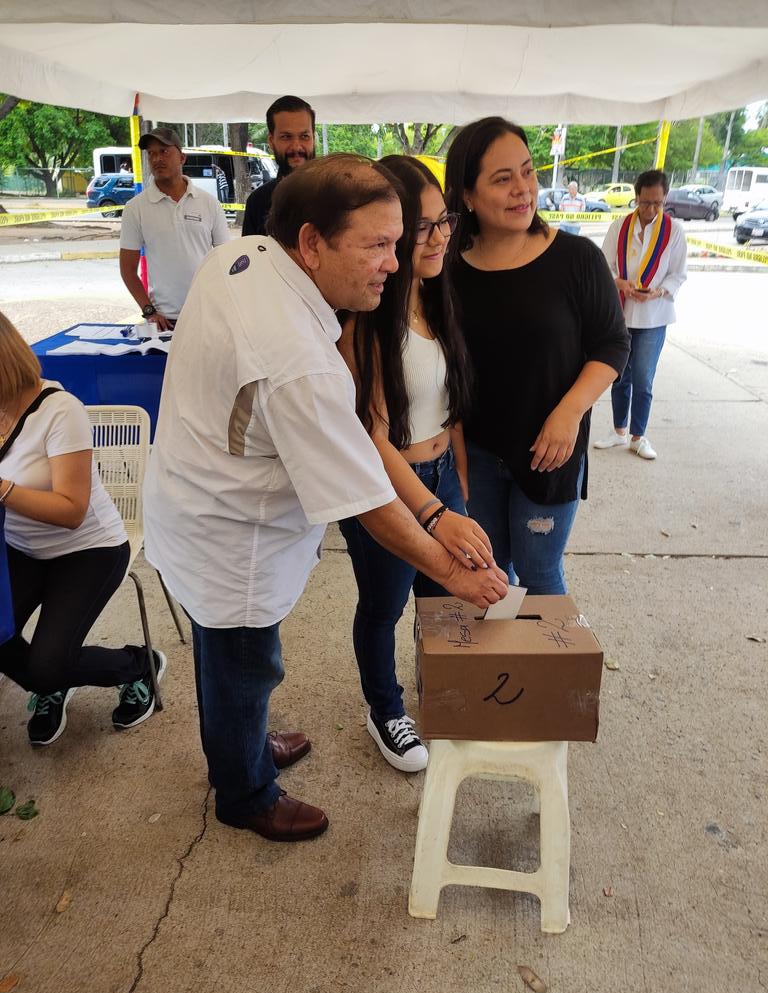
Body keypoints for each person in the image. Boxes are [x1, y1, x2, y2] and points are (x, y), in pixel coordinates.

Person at [143, 155, 508, 843]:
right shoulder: (296, 360)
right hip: (229, 537)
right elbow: (365, 498)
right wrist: (449, 567)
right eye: (375, 245)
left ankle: (241, 743)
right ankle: (245, 791)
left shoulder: (248, 254)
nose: (395, 264)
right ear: (310, 243)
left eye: (397, 242)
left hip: (198, 501)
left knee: (231, 661)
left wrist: (436, 512)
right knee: (246, 662)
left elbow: (360, 440)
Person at [337, 155, 492, 773]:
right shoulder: (367, 317)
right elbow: (369, 433)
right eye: (422, 227)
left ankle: (445, 696)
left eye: (443, 221)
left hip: (441, 477)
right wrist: (432, 515)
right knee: (383, 605)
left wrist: (459, 491)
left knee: (442, 598)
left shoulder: (438, 297)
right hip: (386, 487)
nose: (439, 238)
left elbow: (451, 409)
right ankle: (386, 710)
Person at [445, 117, 630, 595]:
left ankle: (547, 671)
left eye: (527, 172)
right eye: (502, 179)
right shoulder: (446, 271)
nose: (523, 189)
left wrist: (570, 413)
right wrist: (457, 451)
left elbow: (612, 343)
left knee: (540, 571)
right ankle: (496, 668)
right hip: (479, 455)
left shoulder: (576, 258)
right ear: (467, 195)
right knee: (487, 574)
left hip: (552, 453)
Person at [0, 312, 164, 746]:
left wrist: (2, 490)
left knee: (46, 669)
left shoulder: (60, 411)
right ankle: (50, 678)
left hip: (89, 550)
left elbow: (71, 510)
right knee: (9, 644)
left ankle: (138, 665)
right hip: (20, 547)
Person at [594, 169, 687, 460]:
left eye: (657, 203)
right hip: (621, 313)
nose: (650, 209)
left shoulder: (674, 231)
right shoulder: (620, 226)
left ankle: (638, 436)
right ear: (636, 198)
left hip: (653, 317)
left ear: (664, 199)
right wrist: (619, 283)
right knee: (619, 375)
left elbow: (678, 274)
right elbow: (603, 265)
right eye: (645, 203)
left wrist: (658, 292)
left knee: (644, 379)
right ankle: (618, 430)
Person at [119, 127, 230, 332]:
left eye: (164, 151)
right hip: (165, 321)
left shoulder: (209, 203)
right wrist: (149, 311)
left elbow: (226, 260)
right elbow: (127, 269)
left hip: (207, 314)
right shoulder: (135, 208)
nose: (157, 159)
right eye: (151, 153)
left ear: (182, 157)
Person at [242, 95, 316, 237]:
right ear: (271, 141)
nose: (296, 147)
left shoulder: (337, 195)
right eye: (286, 137)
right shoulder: (257, 203)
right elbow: (250, 258)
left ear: (313, 138)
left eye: (304, 136)